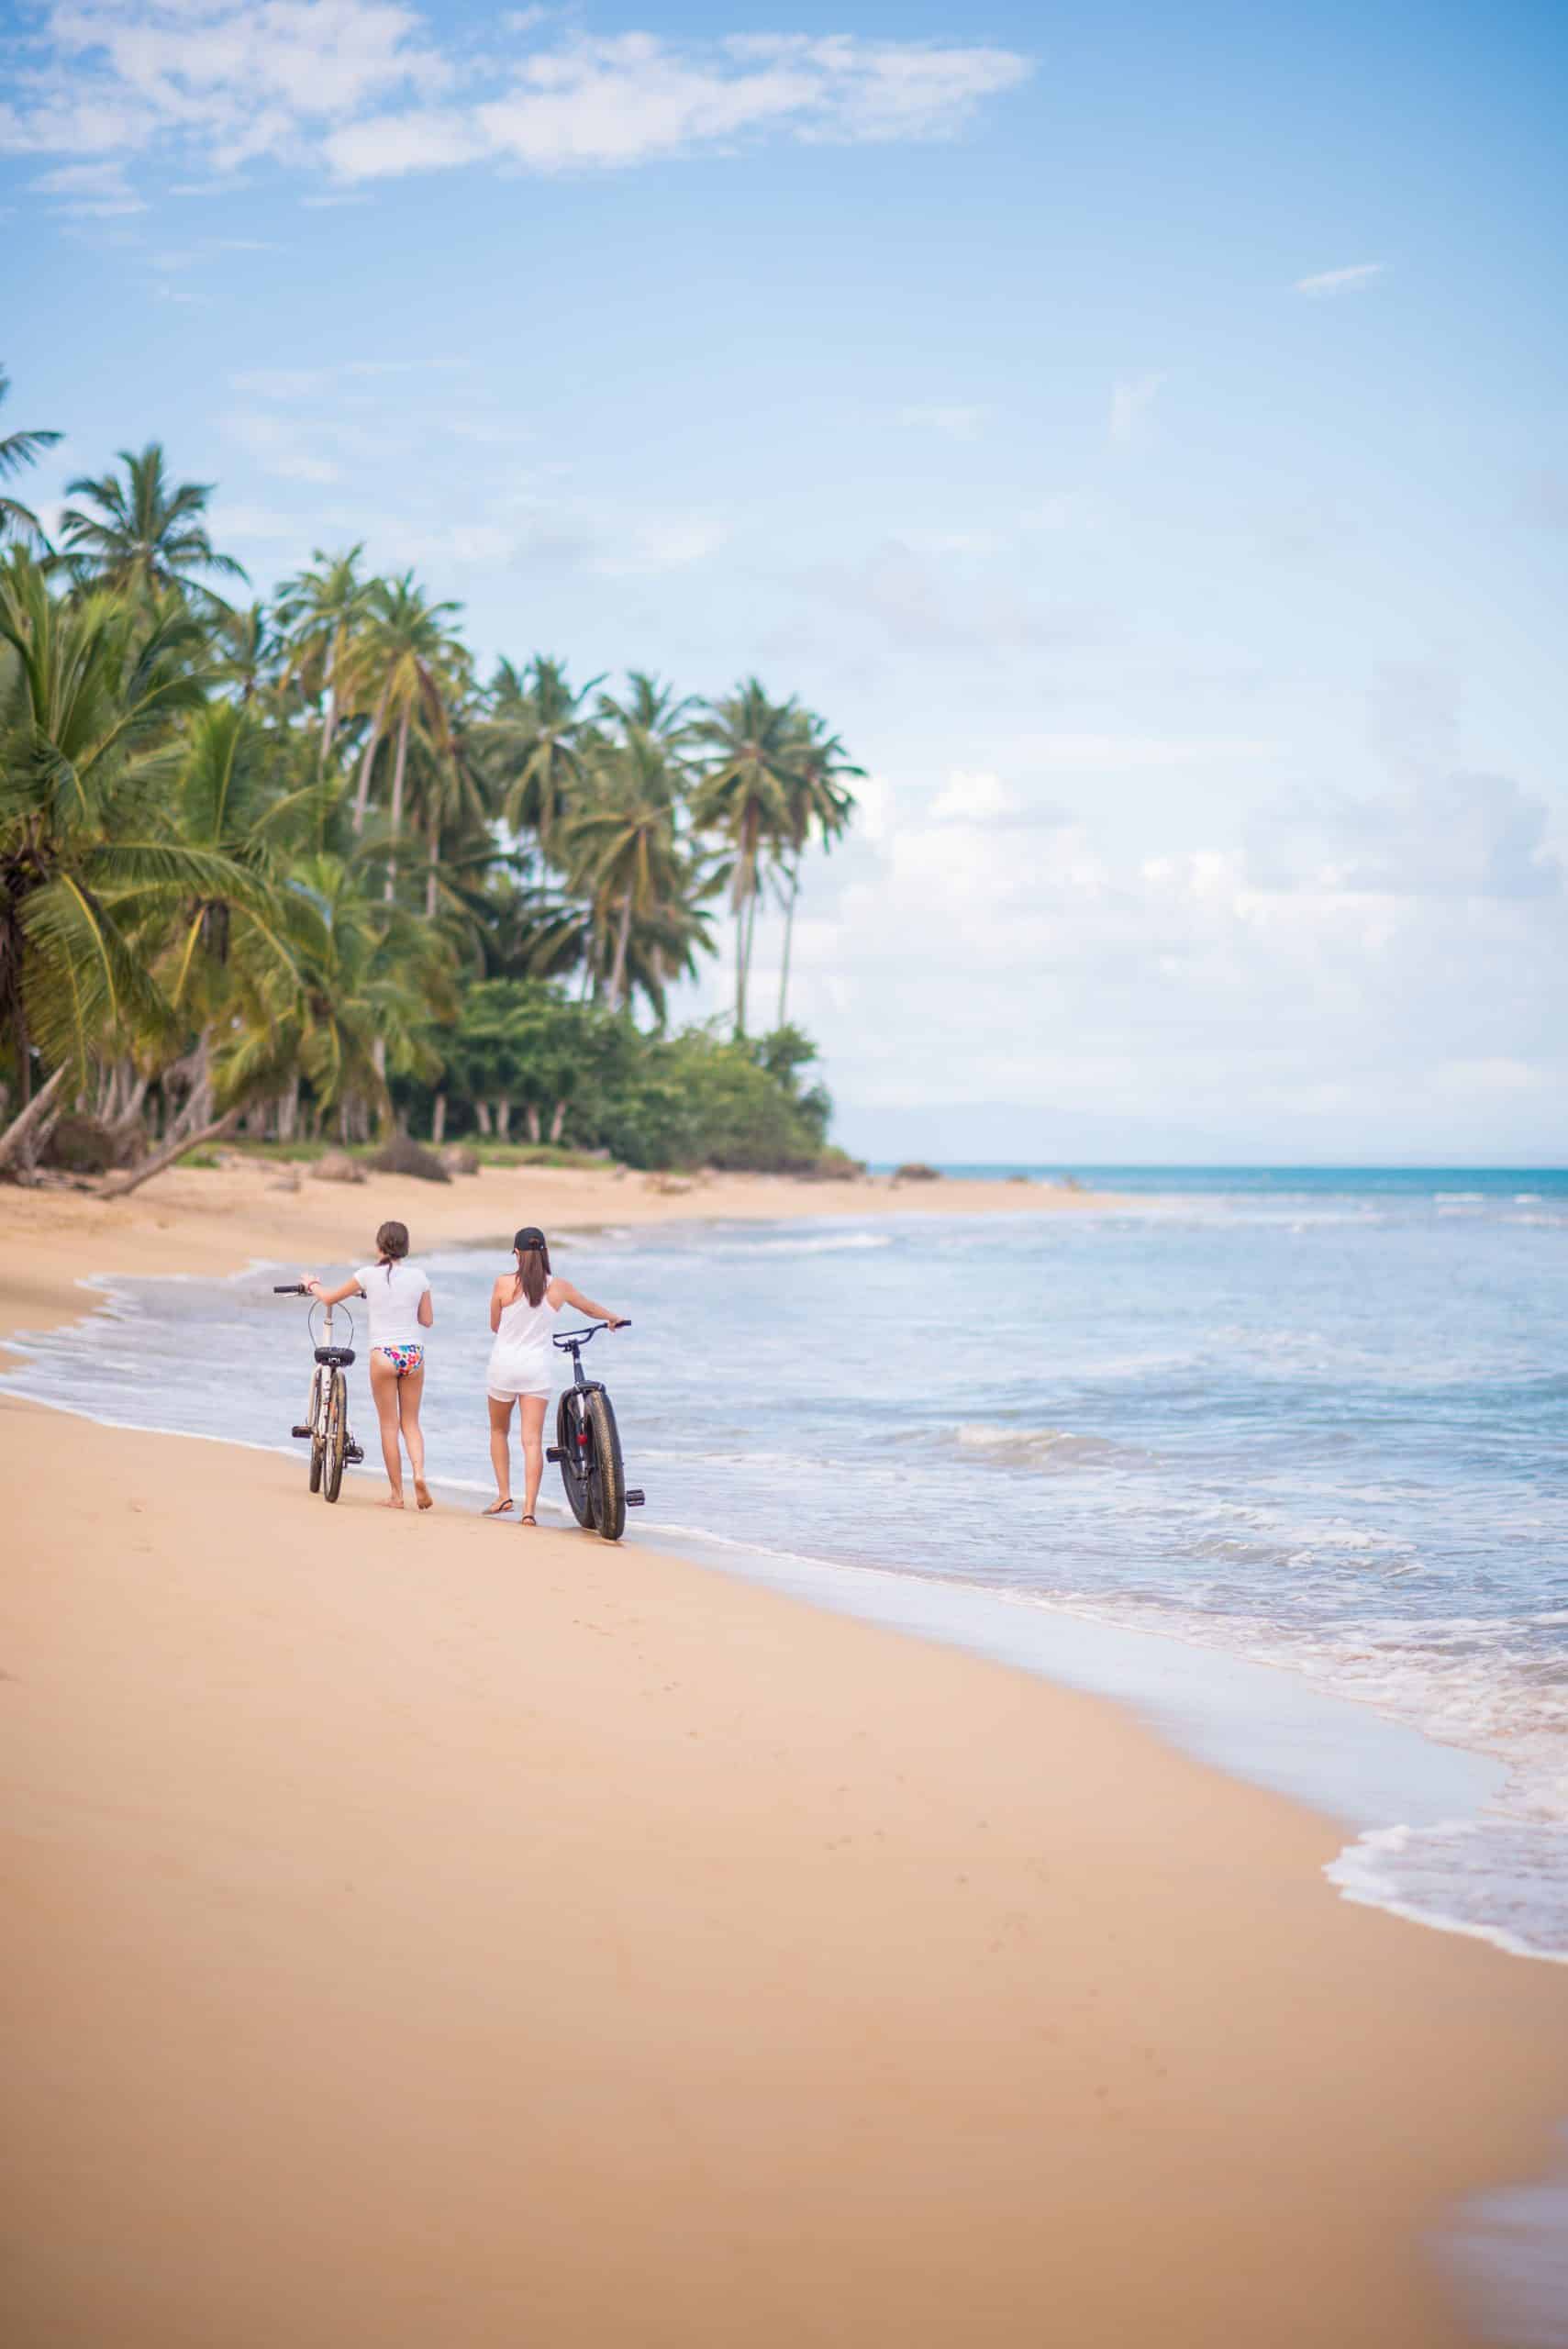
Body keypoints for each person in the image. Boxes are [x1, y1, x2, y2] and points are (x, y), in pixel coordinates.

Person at [485, 1226, 626, 1527]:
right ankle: (529, 1511)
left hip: (504, 1367)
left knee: (499, 1431)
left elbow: (495, 1325)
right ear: (545, 1252)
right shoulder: (559, 1287)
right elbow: (588, 1308)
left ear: (516, 1253)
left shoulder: (502, 1284)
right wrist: (612, 1318)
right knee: (532, 1441)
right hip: (536, 1370)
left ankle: (503, 1495)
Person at [304, 1221, 434, 1512]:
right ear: (406, 1247)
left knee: (389, 1425)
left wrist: (311, 1284)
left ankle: (397, 1496)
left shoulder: (367, 1275)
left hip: (384, 1354)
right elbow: (427, 1320)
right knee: (410, 1423)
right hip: (413, 1354)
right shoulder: (420, 1277)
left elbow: (329, 1298)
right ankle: (420, 1474)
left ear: (379, 1246)